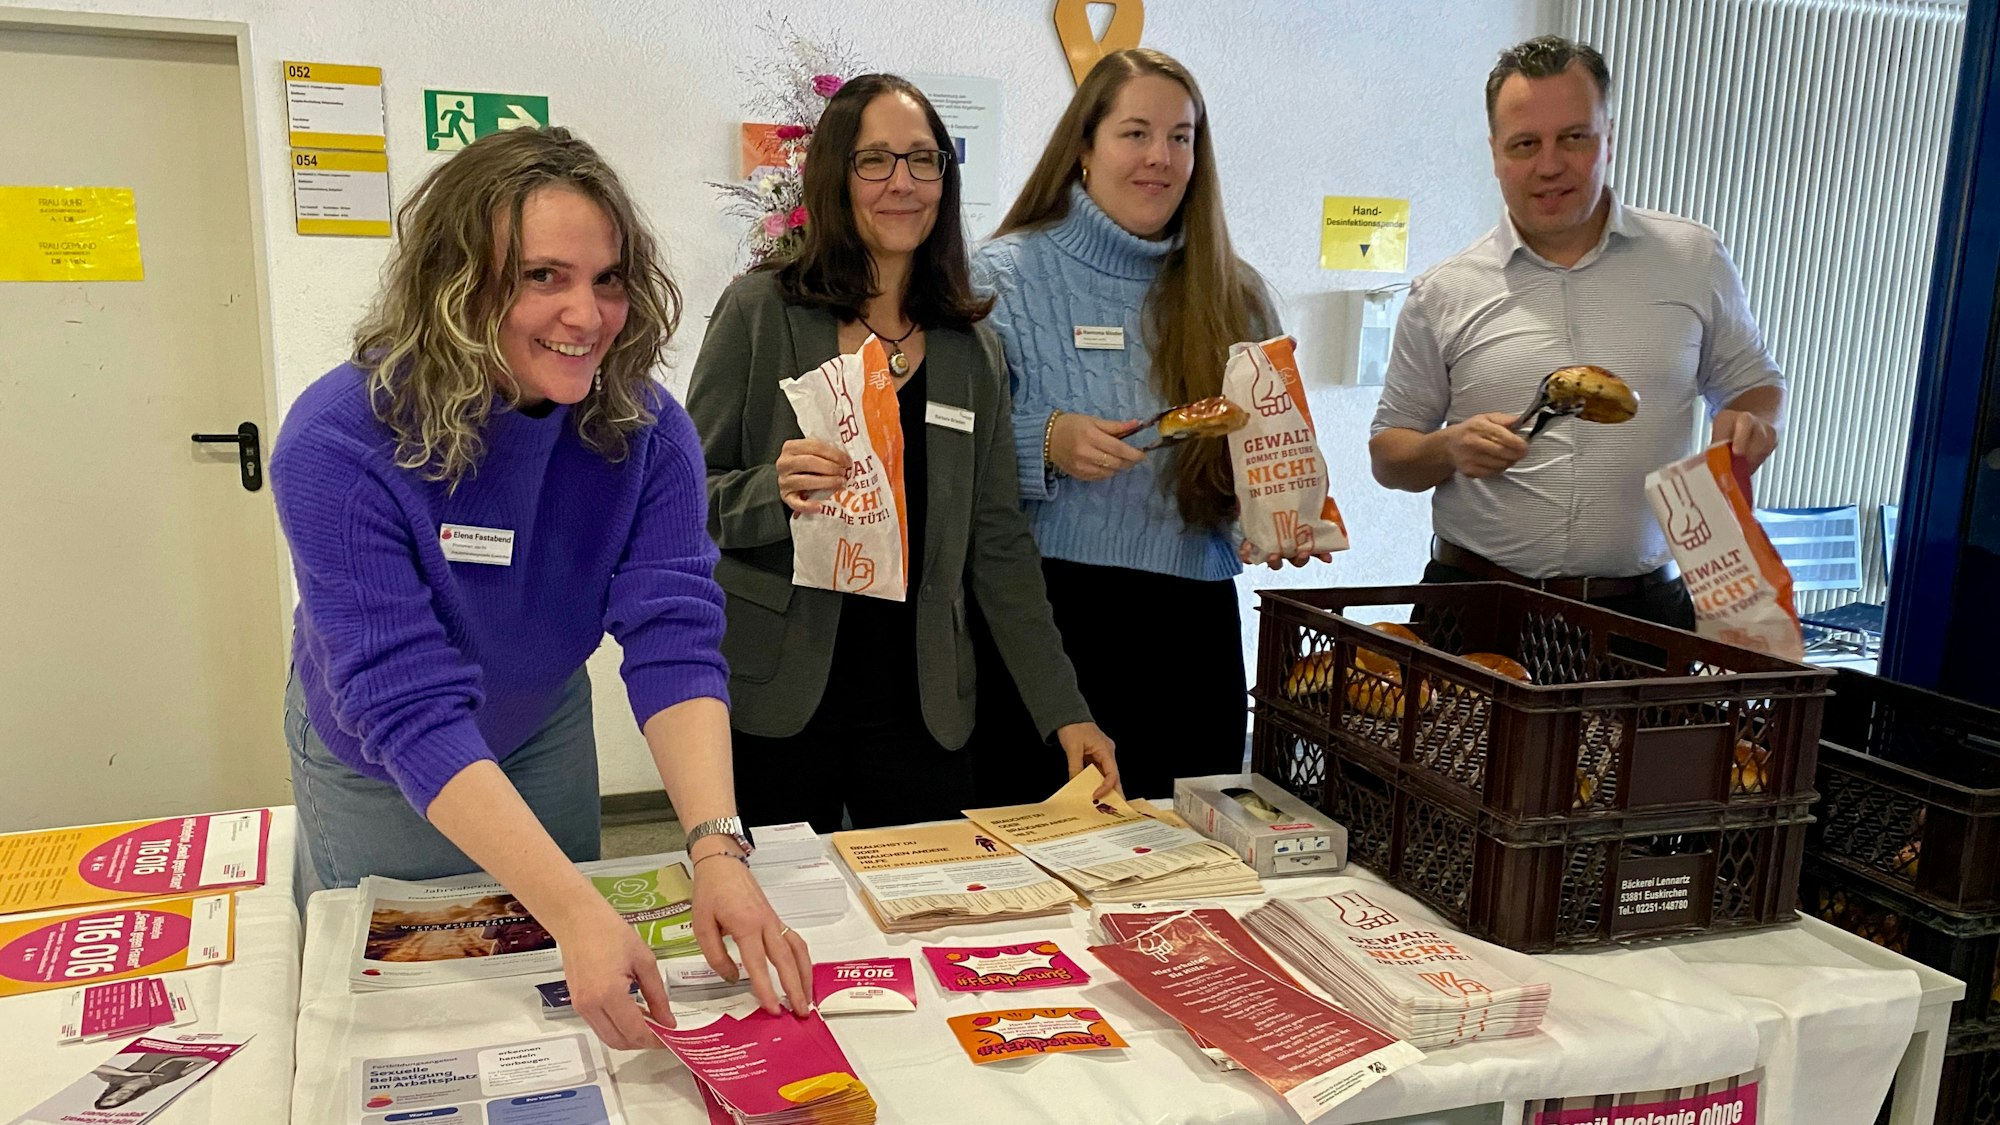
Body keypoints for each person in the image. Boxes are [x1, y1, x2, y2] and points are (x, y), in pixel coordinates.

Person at [269, 127, 810, 1052]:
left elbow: (672, 636)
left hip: (539, 721)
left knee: (554, 989)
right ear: (454, 285)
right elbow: (404, 704)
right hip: (380, 756)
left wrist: (715, 847)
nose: (588, 314)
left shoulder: (645, 427)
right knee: (411, 1014)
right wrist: (570, 905)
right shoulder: (336, 442)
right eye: (541, 276)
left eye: (607, 279)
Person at [686, 74, 1118, 832]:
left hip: (923, 707)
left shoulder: (969, 349)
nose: (903, 183)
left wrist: (1064, 710)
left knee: (933, 924)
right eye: (874, 160)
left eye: (924, 160)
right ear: (833, 175)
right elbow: (686, 495)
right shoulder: (762, 313)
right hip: (779, 698)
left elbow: (1000, 544)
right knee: (785, 923)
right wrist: (771, 491)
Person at [970, 48, 1318, 803]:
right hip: (1048, 622)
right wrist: (1045, 442)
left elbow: (1263, 453)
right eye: (1135, 133)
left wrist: (1278, 514)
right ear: (1084, 148)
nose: (1160, 157)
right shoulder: (1001, 276)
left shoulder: (1237, 294)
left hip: (1192, 630)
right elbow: (947, 462)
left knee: (1188, 871)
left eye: (1182, 137)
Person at [1369, 35, 1785, 627]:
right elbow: (1390, 455)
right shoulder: (1443, 291)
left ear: (1607, 139)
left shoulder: (1693, 259)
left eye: (1574, 137)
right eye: (1525, 144)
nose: (1549, 165)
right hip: (1476, 604)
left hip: (1642, 614)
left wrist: (1752, 423)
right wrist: (1447, 447)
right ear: (1495, 154)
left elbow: (1755, 385)